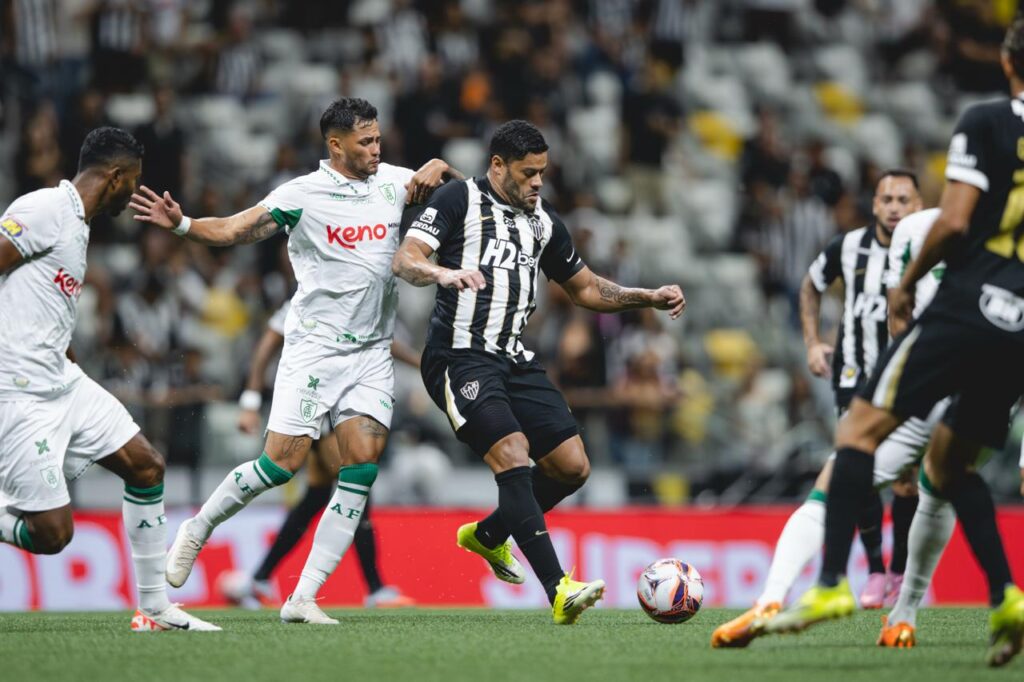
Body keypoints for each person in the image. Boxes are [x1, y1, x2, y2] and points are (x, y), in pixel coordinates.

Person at [131, 97, 457, 624]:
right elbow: (235, 229)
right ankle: (197, 528)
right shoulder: (301, 195)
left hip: (371, 353)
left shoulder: (396, 183)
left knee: (360, 468)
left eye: (378, 139)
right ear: (336, 145)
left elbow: (464, 197)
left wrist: (443, 167)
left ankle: (302, 597)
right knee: (280, 466)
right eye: (366, 142)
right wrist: (183, 225)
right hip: (314, 350)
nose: (377, 149)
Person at [761, 21, 1024, 668]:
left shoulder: (988, 120)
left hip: (973, 305)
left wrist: (906, 285)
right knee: (951, 467)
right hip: (1018, 329)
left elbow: (956, 220)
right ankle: (1004, 596)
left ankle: (831, 585)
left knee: (857, 432)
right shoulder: (846, 248)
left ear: (1006, 61)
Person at [392, 119, 685, 624]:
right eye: (528, 173)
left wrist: (647, 297)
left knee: (572, 467)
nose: (538, 182)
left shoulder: (543, 221)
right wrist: (443, 272)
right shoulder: (458, 199)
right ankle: (558, 588)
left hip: (513, 357)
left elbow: (586, 288)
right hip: (460, 356)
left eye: (543, 172)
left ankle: (488, 535)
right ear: (498, 166)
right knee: (513, 452)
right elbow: (406, 258)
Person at [0, 126, 218, 632]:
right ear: (116, 177)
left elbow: (44, 307)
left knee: (146, 466)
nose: (133, 192)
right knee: (53, 535)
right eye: (134, 181)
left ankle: (155, 609)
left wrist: (67, 357)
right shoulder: (44, 209)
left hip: (62, 380)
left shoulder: (78, 225)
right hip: (21, 390)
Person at [712, 171, 931, 648]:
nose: (895, 207)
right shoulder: (849, 248)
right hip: (861, 379)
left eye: (904, 199)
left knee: (908, 482)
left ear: (920, 206)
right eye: (887, 199)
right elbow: (811, 286)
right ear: (874, 205)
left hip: (922, 387)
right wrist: (813, 342)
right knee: (862, 467)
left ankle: (879, 583)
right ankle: (879, 576)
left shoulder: (936, 249)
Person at [220, 301, 416, 609]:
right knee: (355, 487)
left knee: (317, 496)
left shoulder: (352, 294)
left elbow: (378, 341)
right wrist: (250, 401)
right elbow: (268, 343)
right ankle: (376, 589)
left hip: (339, 401)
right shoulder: (308, 297)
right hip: (317, 402)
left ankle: (257, 579)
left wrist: (419, 362)